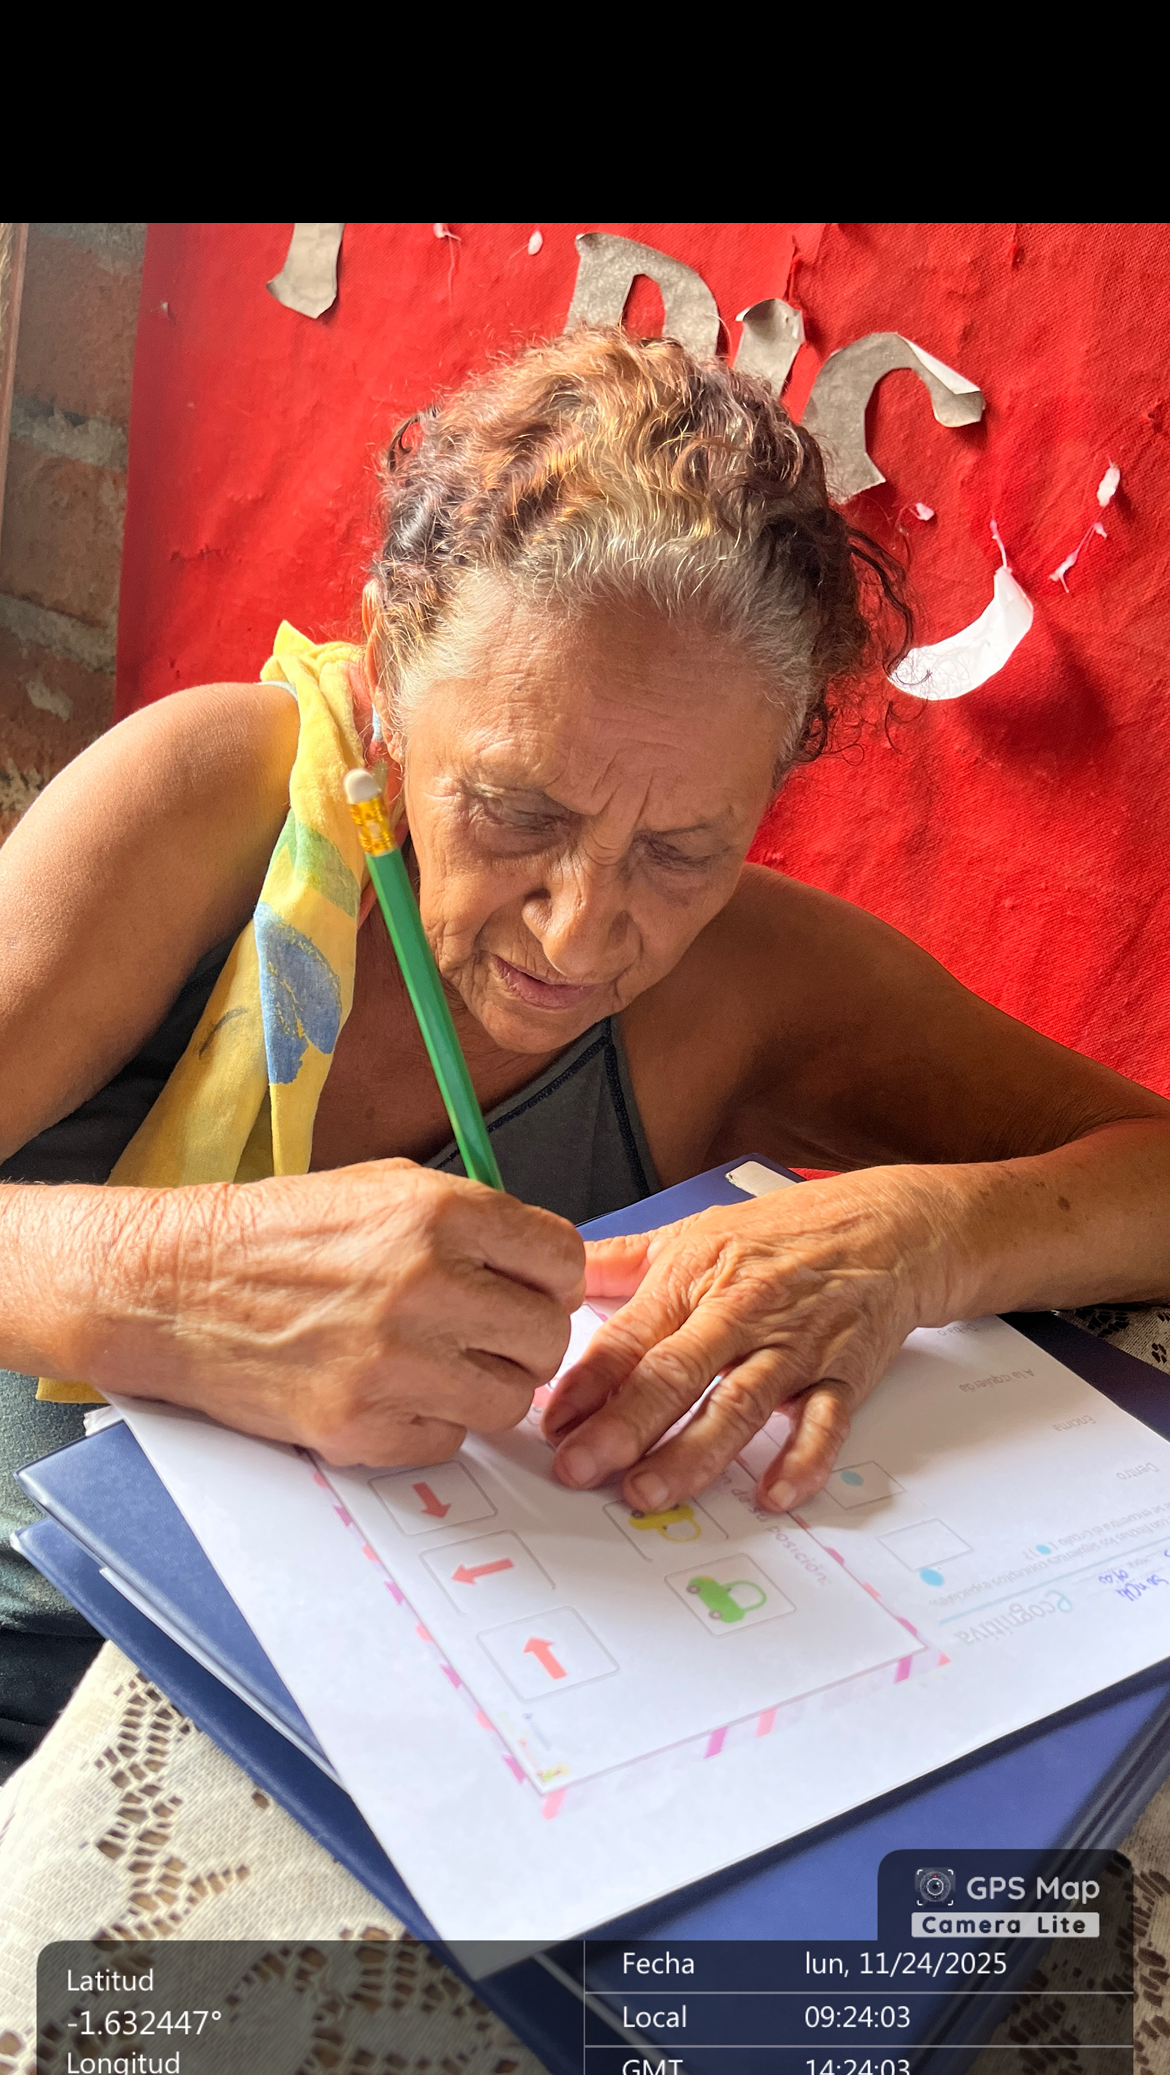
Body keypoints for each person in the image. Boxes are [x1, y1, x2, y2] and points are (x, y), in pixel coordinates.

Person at [3, 327, 1169, 1764]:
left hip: (421, 1760)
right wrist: (178, 1284)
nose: (575, 933)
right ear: (392, 678)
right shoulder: (204, 808)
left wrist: (922, 1237)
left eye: (681, 850)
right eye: (516, 811)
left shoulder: (757, 987)